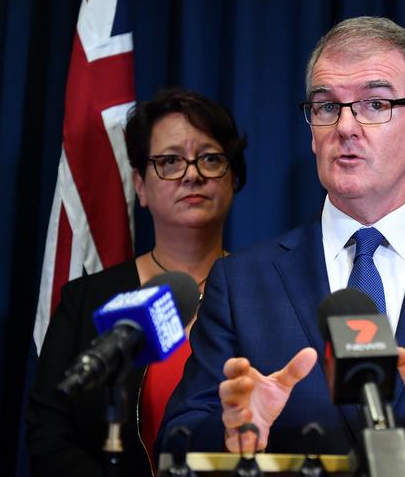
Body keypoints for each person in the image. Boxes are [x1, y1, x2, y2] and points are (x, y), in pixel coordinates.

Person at [159, 17, 405, 459]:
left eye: (374, 104)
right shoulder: (241, 282)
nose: (345, 127)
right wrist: (233, 432)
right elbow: (177, 439)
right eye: (327, 107)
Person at [26, 88, 247, 477]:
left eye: (210, 159)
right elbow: (49, 435)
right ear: (140, 186)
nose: (192, 174)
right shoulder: (87, 301)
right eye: (170, 161)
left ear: (233, 178)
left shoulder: (268, 292)